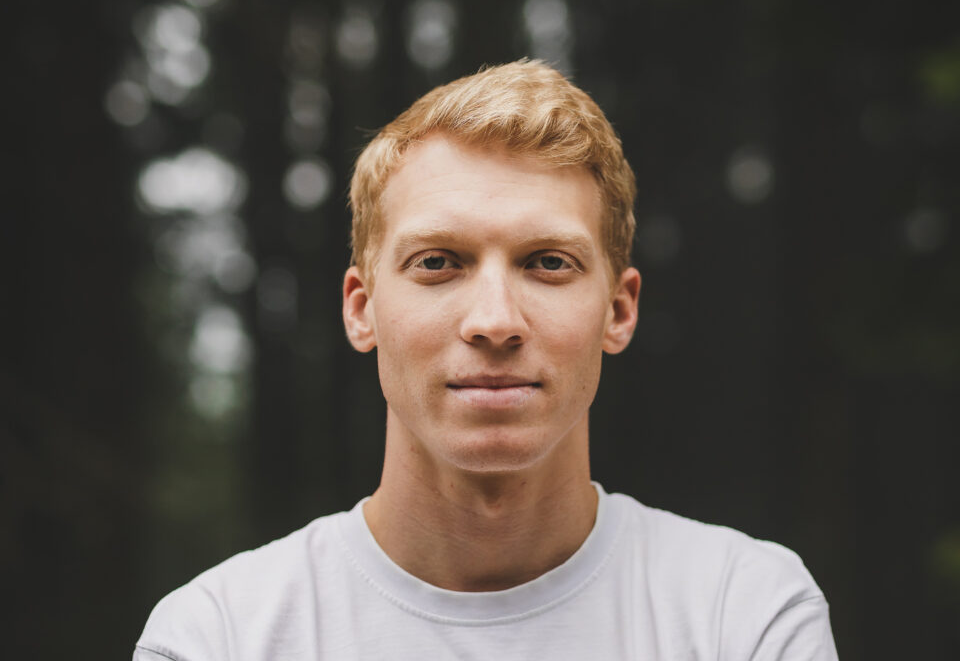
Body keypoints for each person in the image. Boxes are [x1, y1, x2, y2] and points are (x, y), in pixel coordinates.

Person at [134, 60, 839, 660]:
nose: (495, 321)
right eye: (438, 262)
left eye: (548, 263)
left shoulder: (742, 616)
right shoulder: (218, 636)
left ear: (618, 311)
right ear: (361, 307)